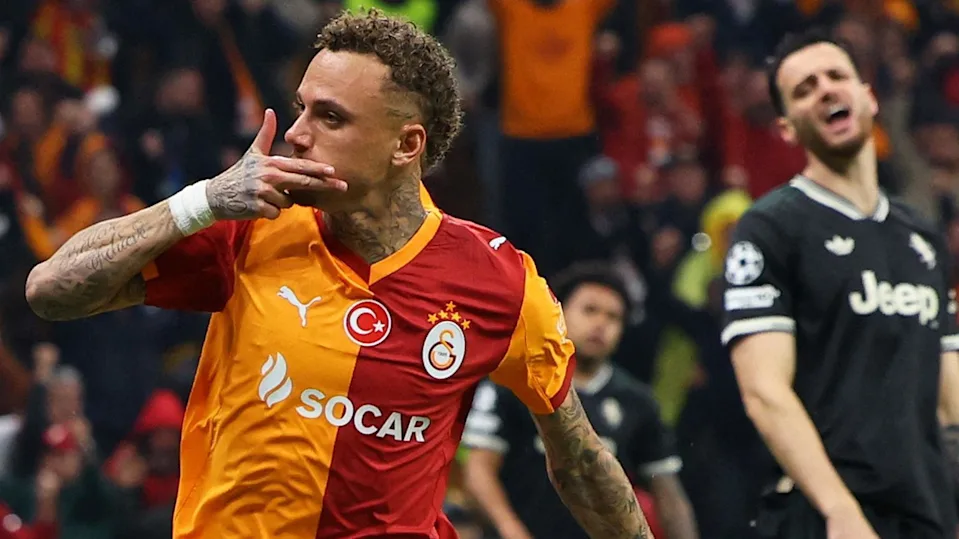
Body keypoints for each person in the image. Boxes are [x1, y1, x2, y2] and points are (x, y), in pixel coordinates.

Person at [22, 9, 651, 539]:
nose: (296, 134)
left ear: (406, 145)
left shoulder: (499, 282)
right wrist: (204, 200)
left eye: (330, 117)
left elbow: (580, 462)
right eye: (301, 109)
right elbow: (49, 291)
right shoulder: (250, 225)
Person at [721, 28, 959, 539]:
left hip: (928, 513)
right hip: (823, 516)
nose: (825, 90)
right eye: (804, 89)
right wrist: (838, 508)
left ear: (868, 97)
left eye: (836, 76)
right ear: (787, 128)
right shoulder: (770, 228)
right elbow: (763, 390)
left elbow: (951, 392)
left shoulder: (922, 235)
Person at [462, 262, 698, 539]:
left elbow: (668, 492)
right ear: (559, 314)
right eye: (589, 310)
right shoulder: (514, 382)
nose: (600, 324)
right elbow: (478, 470)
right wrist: (511, 532)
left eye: (613, 317)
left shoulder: (638, 402)